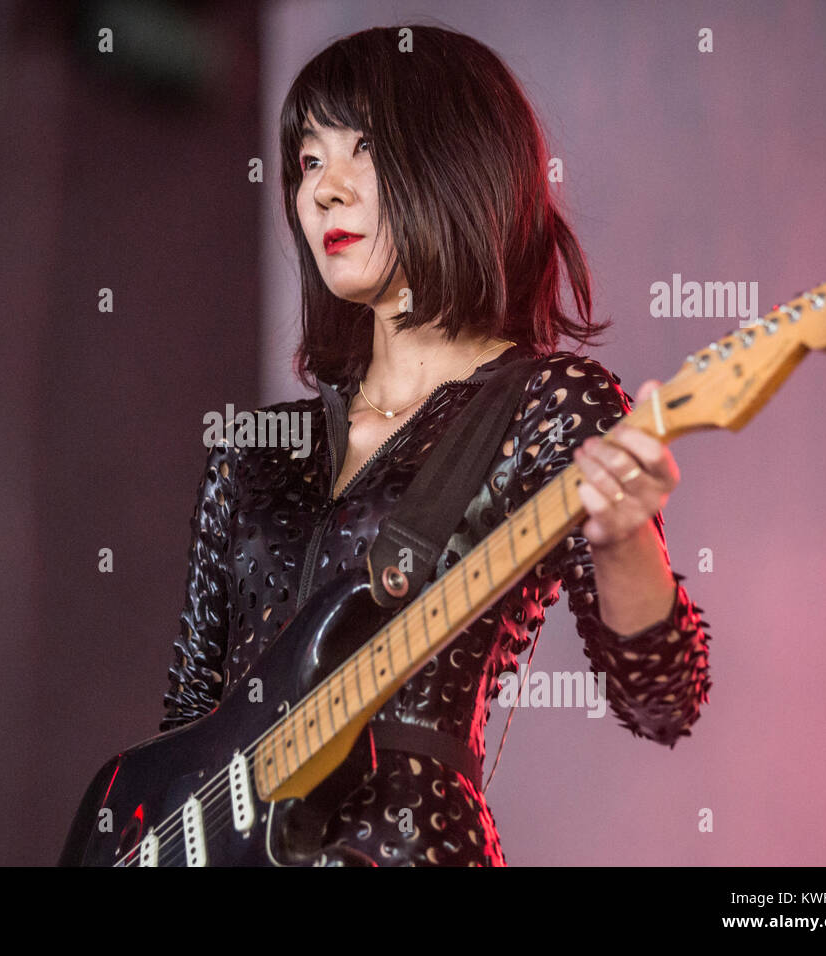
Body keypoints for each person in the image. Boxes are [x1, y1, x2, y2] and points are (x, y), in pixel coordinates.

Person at [161, 24, 711, 866]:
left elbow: (665, 698)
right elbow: (183, 730)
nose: (323, 192)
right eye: (308, 161)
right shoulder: (254, 451)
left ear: (455, 160)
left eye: (362, 150)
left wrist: (624, 536)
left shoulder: (547, 406)